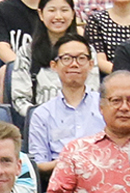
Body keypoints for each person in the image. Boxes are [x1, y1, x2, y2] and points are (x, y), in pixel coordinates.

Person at [28, 34, 104, 177]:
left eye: (81, 58)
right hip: (60, 180)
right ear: (54, 66)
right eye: (66, 58)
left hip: (102, 177)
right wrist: (67, 162)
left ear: (91, 64)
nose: (74, 64)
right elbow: (38, 164)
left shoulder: (106, 106)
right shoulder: (42, 114)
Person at [12, 0, 90, 118]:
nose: (58, 16)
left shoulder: (86, 51)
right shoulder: (27, 52)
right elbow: (20, 100)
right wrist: (43, 117)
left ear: (73, 14)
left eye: (64, 10)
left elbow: (92, 91)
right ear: (41, 14)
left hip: (82, 119)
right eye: (52, 10)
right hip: (39, 120)